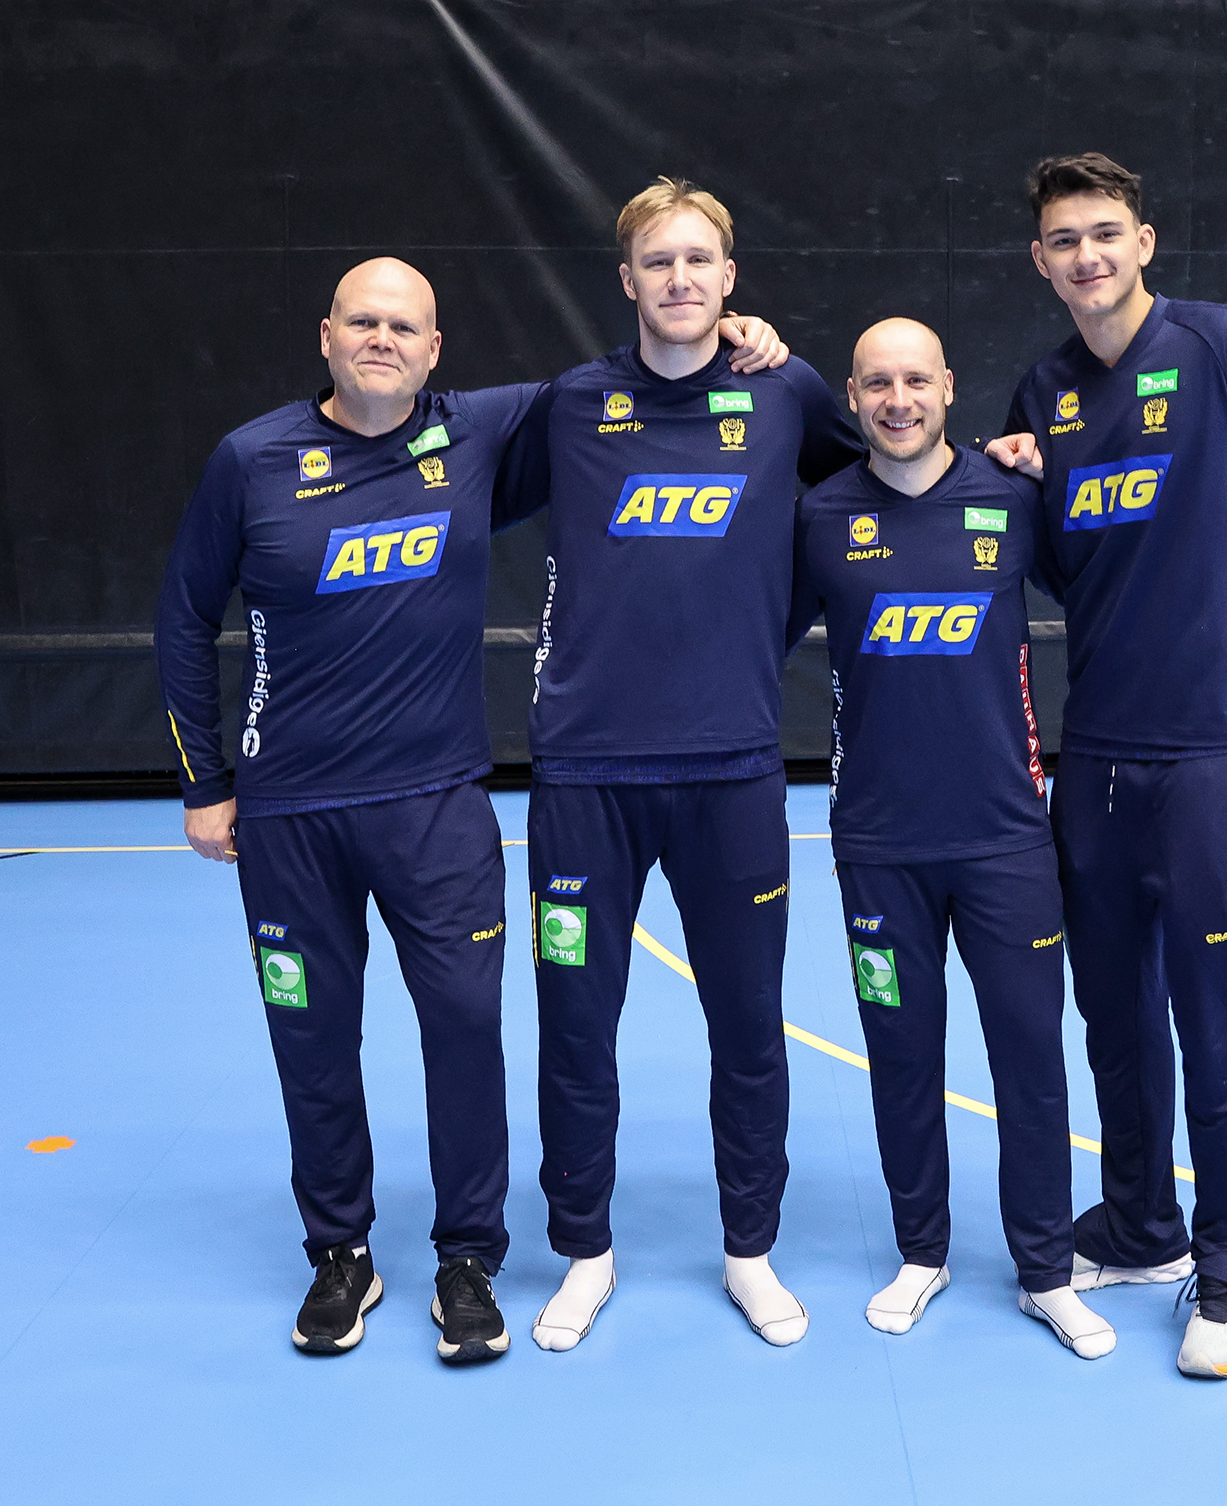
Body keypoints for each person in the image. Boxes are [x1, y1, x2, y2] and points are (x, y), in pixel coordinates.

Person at [155, 256, 786, 1363]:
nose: (382, 339)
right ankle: (339, 1253)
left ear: (436, 350)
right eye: (362, 321)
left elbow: (642, 380)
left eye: (405, 326)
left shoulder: (483, 430)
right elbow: (181, 615)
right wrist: (205, 781)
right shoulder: (251, 461)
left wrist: (734, 335)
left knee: (462, 1029)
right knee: (312, 1038)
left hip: (438, 805)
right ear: (326, 336)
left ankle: (467, 1257)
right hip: (290, 815)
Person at [985, 153, 1227, 1377]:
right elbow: (1068, 568)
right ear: (1039, 262)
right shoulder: (1045, 391)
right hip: (1096, 757)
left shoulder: (1222, 346)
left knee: (1215, 1018)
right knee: (1113, 1014)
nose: (1085, 256)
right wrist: (1023, 492)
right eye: (1063, 240)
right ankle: (1139, 1224)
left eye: (1105, 233)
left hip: (1217, 750)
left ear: (1142, 242)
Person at [499, 178, 862, 1351]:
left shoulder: (785, 392)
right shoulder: (570, 405)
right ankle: (583, 1252)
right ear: (626, 280)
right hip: (584, 780)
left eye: (700, 259)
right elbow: (442, 482)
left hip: (732, 774)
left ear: (730, 276)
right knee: (573, 1027)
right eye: (658, 261)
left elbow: (883, 487)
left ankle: (749, 1250)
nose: (680, 279)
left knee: (748, 1029)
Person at [787, 318, 1115, 1359]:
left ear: (947, 388)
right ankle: (920, 1252)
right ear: (852, 395)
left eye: (916, 381)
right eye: (877, 383)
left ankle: (1045, 1270)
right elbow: (742, 638)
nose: (898, 400)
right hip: (878, 846)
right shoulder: (821, 516)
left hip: (1006, 841)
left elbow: (1113, 584)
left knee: (1030, 1062)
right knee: (901, 1055)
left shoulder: (1010, 498)